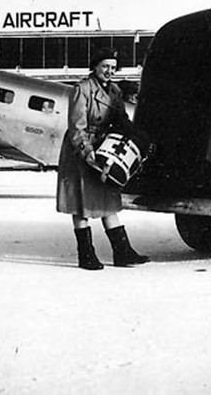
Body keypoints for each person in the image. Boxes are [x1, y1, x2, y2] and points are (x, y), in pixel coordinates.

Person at [56, 48, 150, 270]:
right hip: (81, 151)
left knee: (108, 200)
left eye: (113, 68)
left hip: (104, 150)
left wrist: (140, 137)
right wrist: (87, 152)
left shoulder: (115, 92)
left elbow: (121, 121)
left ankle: (122, 252)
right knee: (81, 205)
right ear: (95, 66)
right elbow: (76, 127)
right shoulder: (82, 89)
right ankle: (86, 255)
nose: (110, 71)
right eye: (105, 66)